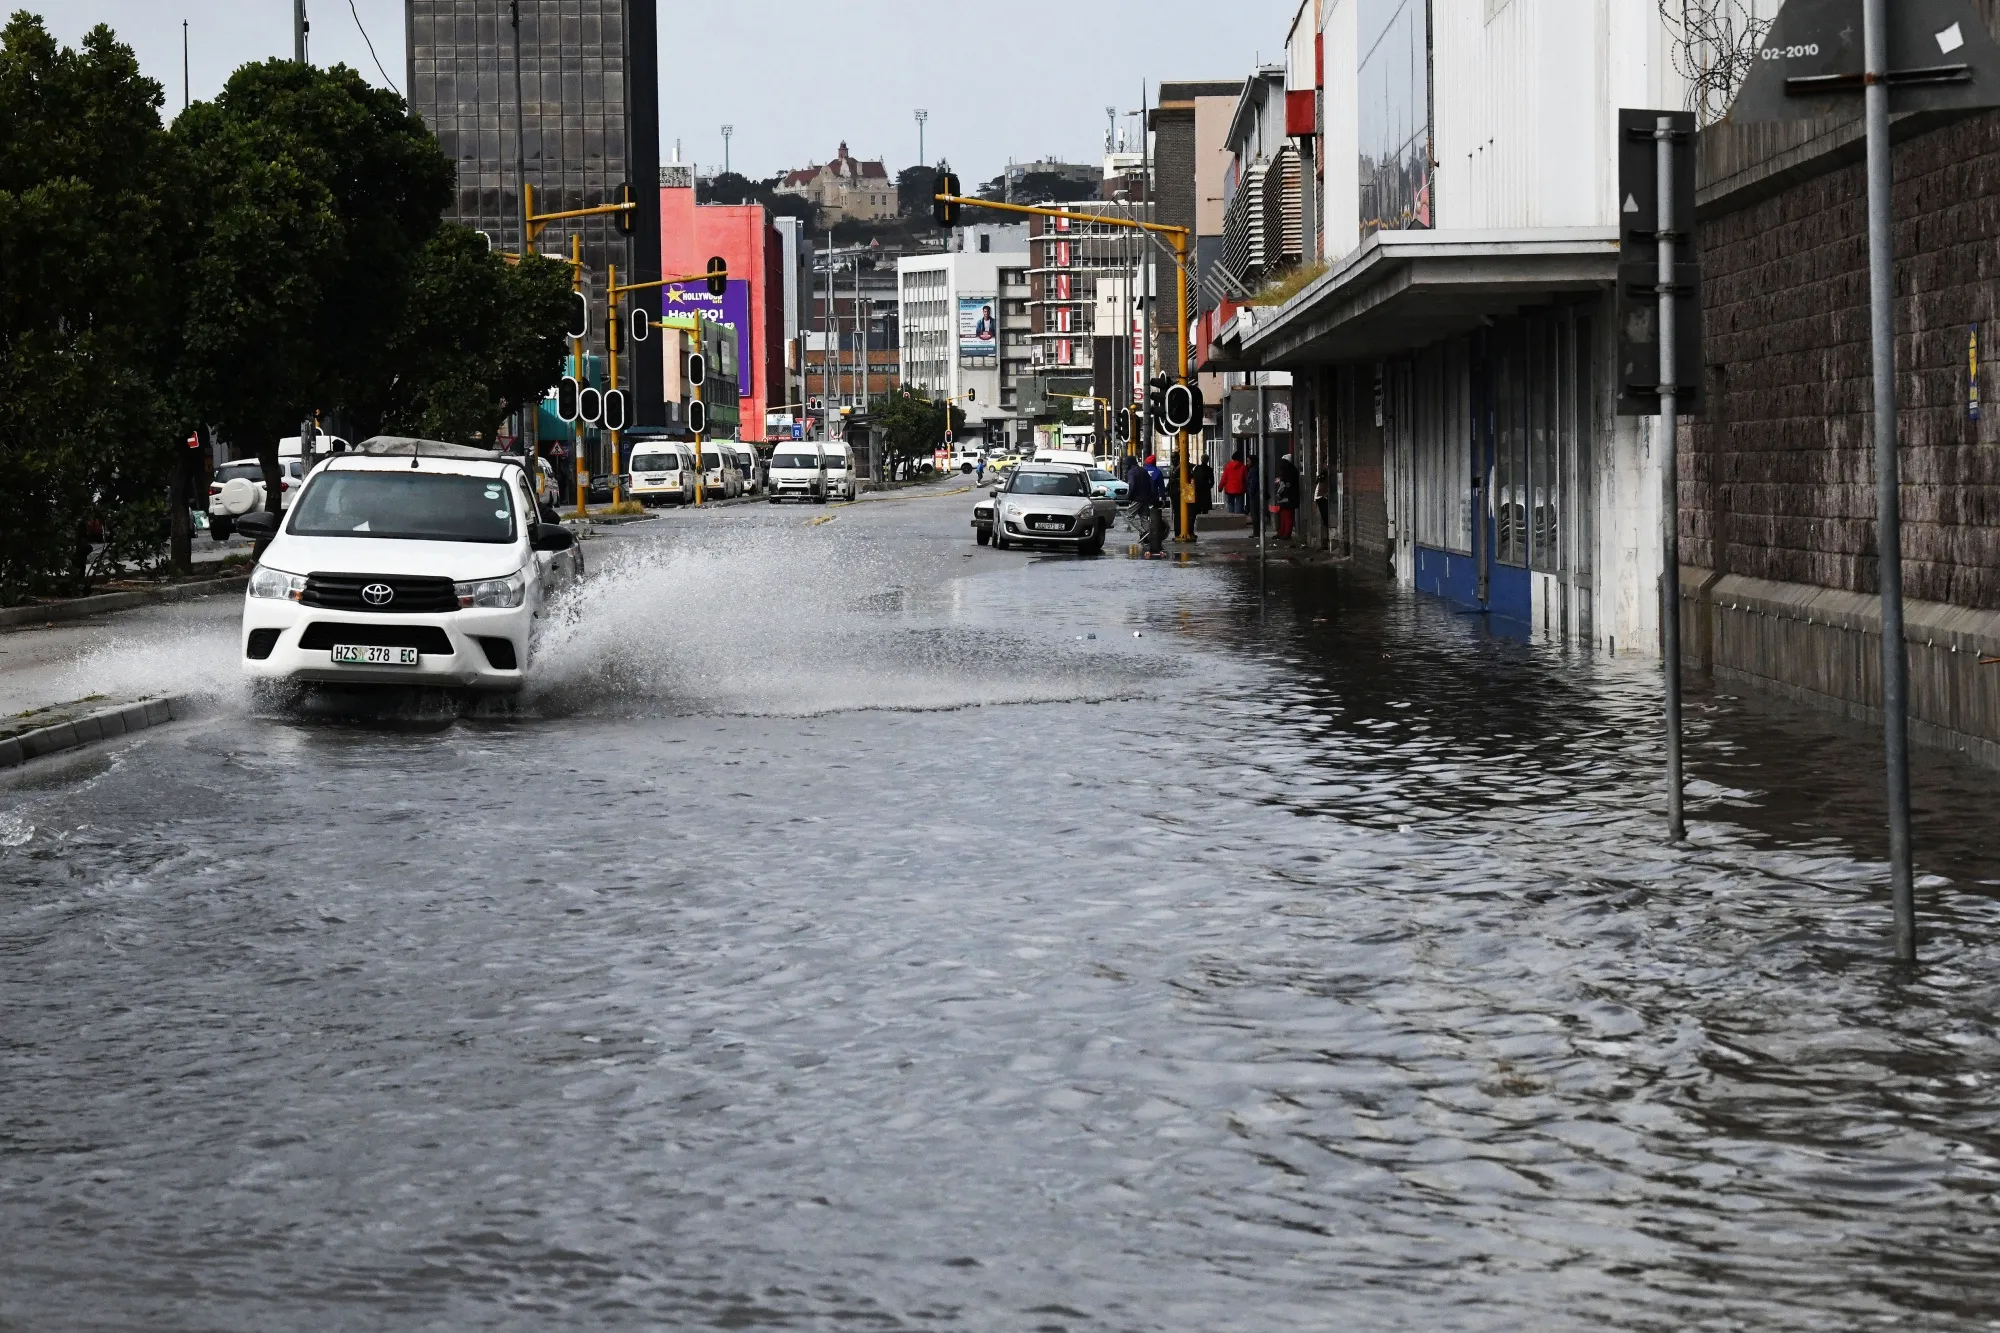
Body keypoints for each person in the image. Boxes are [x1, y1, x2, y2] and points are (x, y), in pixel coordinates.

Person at [1126, 457, 1165, 555]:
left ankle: (1143, 532)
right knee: (1143, 517)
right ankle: (1149, 533)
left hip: (1136, 498)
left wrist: (1129, 497)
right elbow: (1151, 484)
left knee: (1129, 516)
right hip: (1146, 499)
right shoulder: (1143, 470)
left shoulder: (1131, 472)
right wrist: (1150, 497)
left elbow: (1132, 485)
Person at [1275, 452, 1300, 541]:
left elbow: (1288, 485)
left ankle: (1286, 533)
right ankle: (1282, 532)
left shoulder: (1290, 472)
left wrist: (1280, 494)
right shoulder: (1288, 471)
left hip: (1288, 497)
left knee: (1287, 515)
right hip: (1286, 497)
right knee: (1283, 516)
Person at [1243, 450, 1261, 536]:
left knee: (1255, 514)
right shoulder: (1255, 469)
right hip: (1256, 494)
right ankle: (1257, 532)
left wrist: (1250, 491)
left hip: (1255, 495)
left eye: (1248, 461)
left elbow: (1253, 482)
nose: (1247, 463)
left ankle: (1256, 532)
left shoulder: (1254, 471)